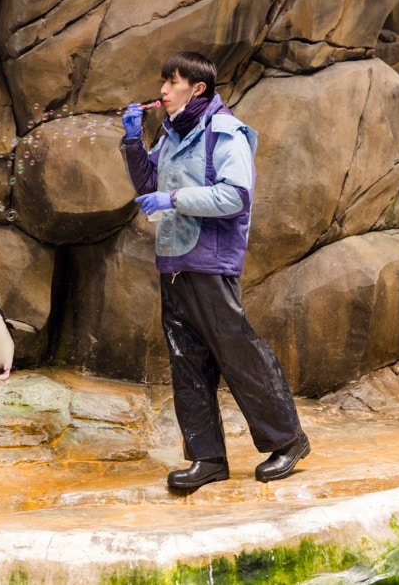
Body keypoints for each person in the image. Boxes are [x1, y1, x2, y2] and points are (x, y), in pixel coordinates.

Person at [119, 51, 310, 490]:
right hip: (174, 262)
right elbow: (149, 187)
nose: (162, 91)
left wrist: (175, 199)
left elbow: (235, 197)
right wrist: (133, 142)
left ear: (197, 88)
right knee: (187, 361)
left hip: (210, 262)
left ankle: (288, 439)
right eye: (162, 82)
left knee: (238, 354)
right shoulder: (169, 136)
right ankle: (207, 458)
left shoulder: (224, 132)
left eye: (172, 82)